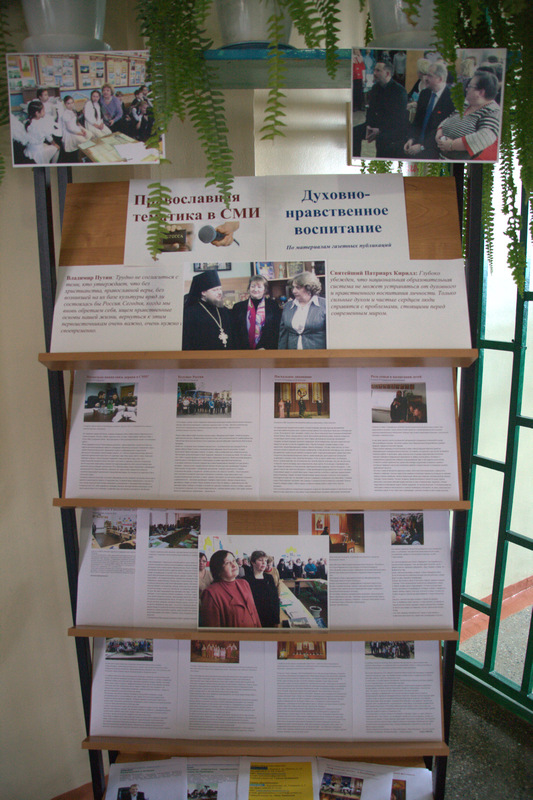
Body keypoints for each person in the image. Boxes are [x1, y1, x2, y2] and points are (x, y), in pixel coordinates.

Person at [436, 71, 500, 161]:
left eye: (470, 87)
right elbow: (449, 118)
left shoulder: (493, 111)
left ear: (481, 92)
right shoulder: (467, 104)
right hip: (442, 158)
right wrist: (439, 134)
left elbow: (484, 137)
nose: (466, 89)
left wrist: (451, 145)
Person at [352, 59, 408, 158]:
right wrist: (369, 125)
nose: (374, 73)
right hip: (375, 125)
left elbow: (397, 118)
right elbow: (370, 110)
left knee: (382, 139)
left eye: (378, 71)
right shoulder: (375, 88)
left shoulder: (399, 91)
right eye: (374, 70)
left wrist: (380, 130)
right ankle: (355, 159)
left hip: (391, 128)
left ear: (387, 73)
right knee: (354, 132)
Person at [404, 62, 455, 159]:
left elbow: (444, 130)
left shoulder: (451, 99)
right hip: (416, 142)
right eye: (426, 75)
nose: (425, 78)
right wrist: (411, 139)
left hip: (435, 147)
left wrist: (422, 146)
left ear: (440, 79)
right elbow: (417, 122)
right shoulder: (424, 94)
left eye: (429, 76)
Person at [199, 550, 261, 627]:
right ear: (218, 569)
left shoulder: (244, 583)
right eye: (227, 563)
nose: (234, 565)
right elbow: (213, 630)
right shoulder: (211, 593)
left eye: (233, 561)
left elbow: (254, 613)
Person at [182, 270, 235, 350]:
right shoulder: (190, 313)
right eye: (215, 290)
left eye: (220, 289)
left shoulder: (225, 311)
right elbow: (187, 342)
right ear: (203, 292)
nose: (219, 292)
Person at [231, 275, 281, 350]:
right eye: (253, 286)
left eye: (259, 287)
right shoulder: (238, 307)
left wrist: (265, 347)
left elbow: (276, 330)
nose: (255, 289)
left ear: (264, 289)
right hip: (243, 350)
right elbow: (235, 331)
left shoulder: (273, 305)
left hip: (266, 350)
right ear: (249, 288)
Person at [278, 272, 326, 350]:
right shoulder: (288, 306)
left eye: (298, 288)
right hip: (293, 354)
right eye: (293, 287)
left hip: (317, 354)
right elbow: (283, 335)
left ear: (309, 288)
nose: (294, 291)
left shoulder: (324, 305)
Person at [244, 550, 280, 628]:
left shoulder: (269, 578)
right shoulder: (245, 580)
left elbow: (275, 600)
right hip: (254, 619)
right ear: (253, 562)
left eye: (265, 561)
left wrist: (276, 620)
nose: (264, 563)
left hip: (270, 619)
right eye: (260, 560)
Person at [23, 100, 60, 164]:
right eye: (43, 110)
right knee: (57, 148)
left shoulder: (27, 122)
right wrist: (55, 144)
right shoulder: (41, 124)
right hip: (38, 152)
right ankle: (53, 164)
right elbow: (49, 138)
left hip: (29, 149)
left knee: (46, 144)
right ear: (37, 113)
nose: (44, 112)